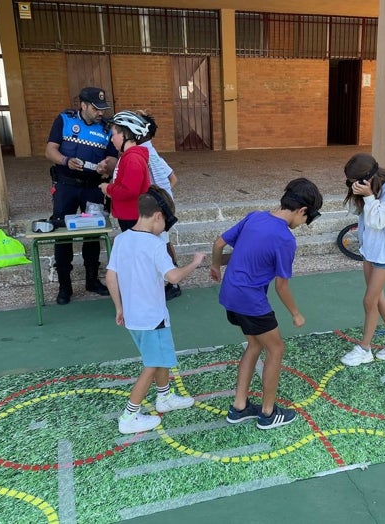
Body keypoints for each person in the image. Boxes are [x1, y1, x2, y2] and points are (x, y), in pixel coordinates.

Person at [209, 178, 323, 430]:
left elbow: (219, 243)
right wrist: (296, 313)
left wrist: (215, 266)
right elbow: (281, 286)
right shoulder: (285, 239)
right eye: (306, 220)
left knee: (254, 344)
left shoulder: (255, 217)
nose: (302, 225)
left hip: (230, 296)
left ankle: (239, 407)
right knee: (276, 349)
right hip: (250, 301)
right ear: (302, 211)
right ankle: (268, 413)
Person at [105, 186, 206, 434]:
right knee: (151, 364)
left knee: (158, 358)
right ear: (158, 217)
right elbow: (172, 276)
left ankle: (164, 397)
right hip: (153, 318)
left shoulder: (121, 239)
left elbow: (110, 276)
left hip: (133, 317)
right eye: (166, 224)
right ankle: (129, 416)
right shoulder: (155, 244)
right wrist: (194, 263)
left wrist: (119, 307)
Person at [45, 86, 118, 305]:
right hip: (66, 186)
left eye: (102, 109)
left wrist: (106, 166)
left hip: (93, 186)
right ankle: (64, 286)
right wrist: (66, 161)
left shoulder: (107, 128)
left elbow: (113, 159)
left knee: (92, 234)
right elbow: (50, 150)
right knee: (62, 234)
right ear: (83, 105)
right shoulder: (64, 120)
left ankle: (92, 280)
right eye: (96, 109)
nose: (100, 113)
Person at [339, 153, 385, 367]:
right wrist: (355, 193)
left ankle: (364, 349)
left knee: (369, 301)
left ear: (367, 177)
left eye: (355, 180)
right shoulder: (365, 187)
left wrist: (370, 196)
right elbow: (353, 211)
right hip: (370, 250)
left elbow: (379, 220)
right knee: (378, 299)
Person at [98, 110, 157, 232]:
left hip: (133, 217)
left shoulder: (132, 159)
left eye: (113, 134)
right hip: (129, 215)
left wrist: (108, 188)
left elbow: (130, 191)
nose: (112, 139)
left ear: (125, 135)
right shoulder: (128, 156)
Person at [141, 137, 183, 301]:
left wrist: (159, 199)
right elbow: (173, 178)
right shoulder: (149, 155)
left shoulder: (152, 157)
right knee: (163, 241)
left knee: (164, 243)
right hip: (153, 210)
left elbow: (173, 179)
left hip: (157, 211)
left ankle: (173, 284)